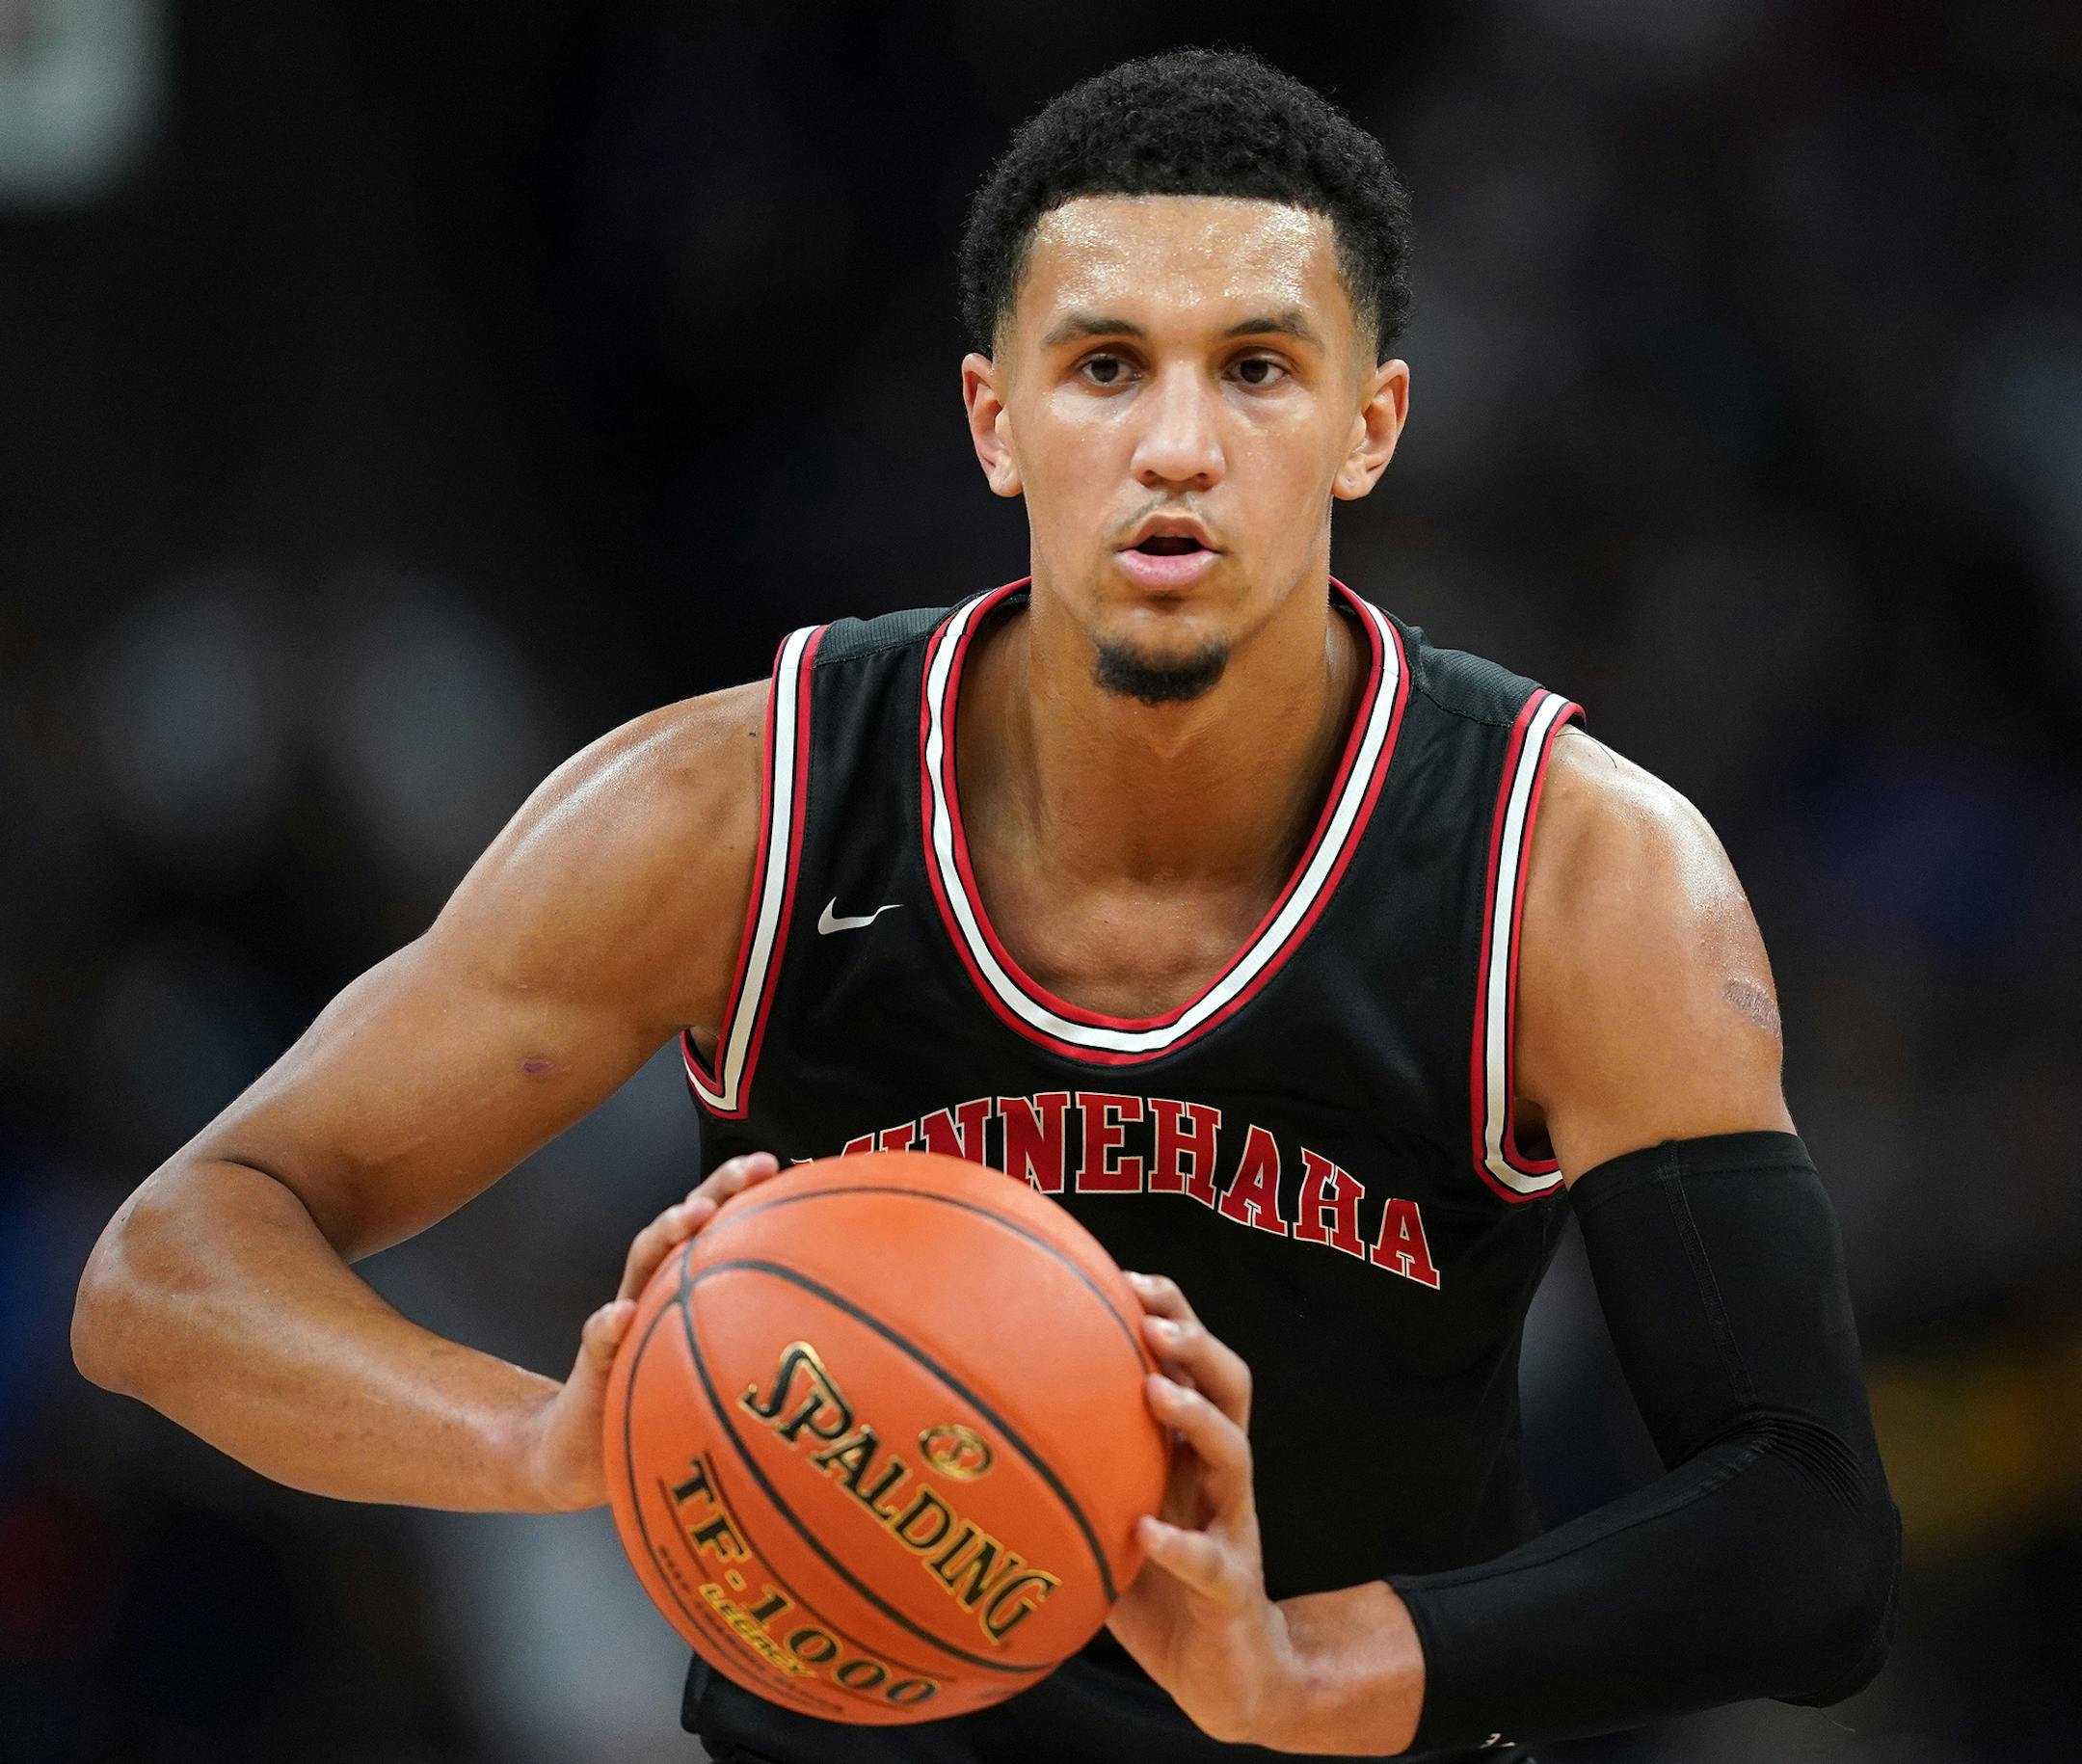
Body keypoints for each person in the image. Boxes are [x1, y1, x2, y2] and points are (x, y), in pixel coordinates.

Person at [70, 46, 1898, 1764]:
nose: (1177, 444)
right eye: (1106, 365)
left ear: (1371, 425)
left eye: (1257, 367)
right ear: (994, 418)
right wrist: (552, 1438)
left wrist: (1313, 1666)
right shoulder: (740, 809)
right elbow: (168, 1271)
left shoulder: (1570, 868)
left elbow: (1807, 1525)